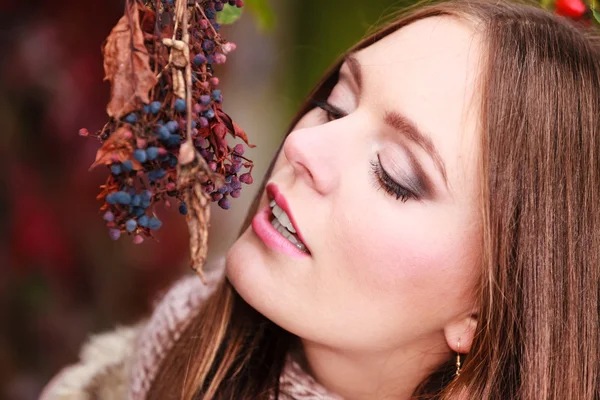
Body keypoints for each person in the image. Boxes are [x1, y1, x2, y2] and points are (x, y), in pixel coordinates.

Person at [41, 0, 600, 398]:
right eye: (336, 105)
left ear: (485, 312)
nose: (305, 144)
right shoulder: (140, 371)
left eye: (395, 174)